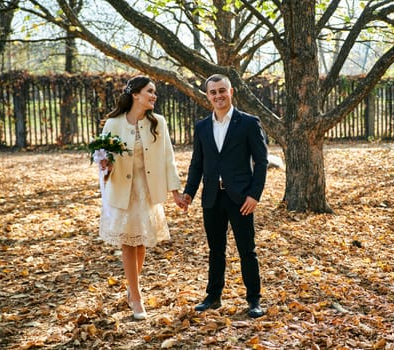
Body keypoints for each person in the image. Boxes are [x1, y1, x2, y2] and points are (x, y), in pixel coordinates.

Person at [97, 76, 186, 320]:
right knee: (129, 242)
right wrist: (105, 163)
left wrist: (176, 192)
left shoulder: (158, 122)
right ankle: (136, 297)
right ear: (135, 94)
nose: (154, 96)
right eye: (150, 91)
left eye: (154, 92)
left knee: (141, 242)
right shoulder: (113, 123)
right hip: (122, 190)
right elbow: (102, 157)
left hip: (147, 190)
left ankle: (131, 286)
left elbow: (168, 158)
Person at [182, 74, 268, 318]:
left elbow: (261, 161)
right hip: (212, 198)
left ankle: (253, 300)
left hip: (241, 198)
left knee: (246, 250)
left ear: (232, 92)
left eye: (222, 90)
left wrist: (254, 194)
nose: (218, 95)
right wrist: (189, 192)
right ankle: (213, 296)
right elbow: (196, 164)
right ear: (208, 95)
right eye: (213, 92)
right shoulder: (201, 127)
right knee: (215, 249)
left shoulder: (249, 123)